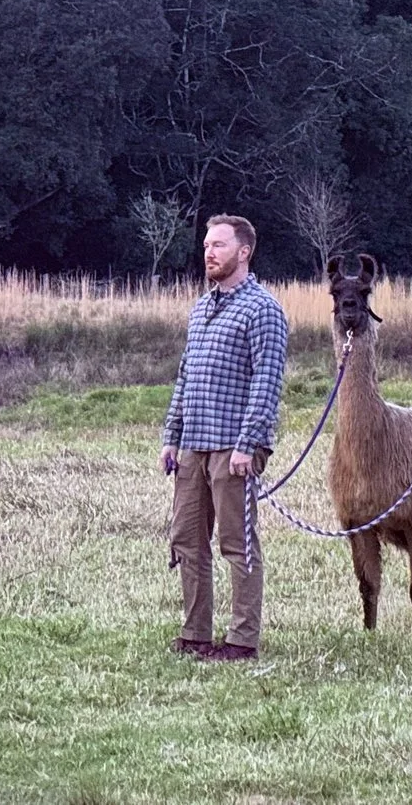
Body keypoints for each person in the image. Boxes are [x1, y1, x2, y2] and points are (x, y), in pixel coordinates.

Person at [161, 213, 288, 661]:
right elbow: (185, 377)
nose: (208, 253)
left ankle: (241, 640)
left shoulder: (263, 309)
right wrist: (171, 436)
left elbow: (266, 382)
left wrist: (249, 443)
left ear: (243, 252)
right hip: (193, 443)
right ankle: (195, 633)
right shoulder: (201, 307)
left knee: (238, 544)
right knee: (187, 540)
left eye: (218, 245)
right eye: (206, 246)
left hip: (233, 448)